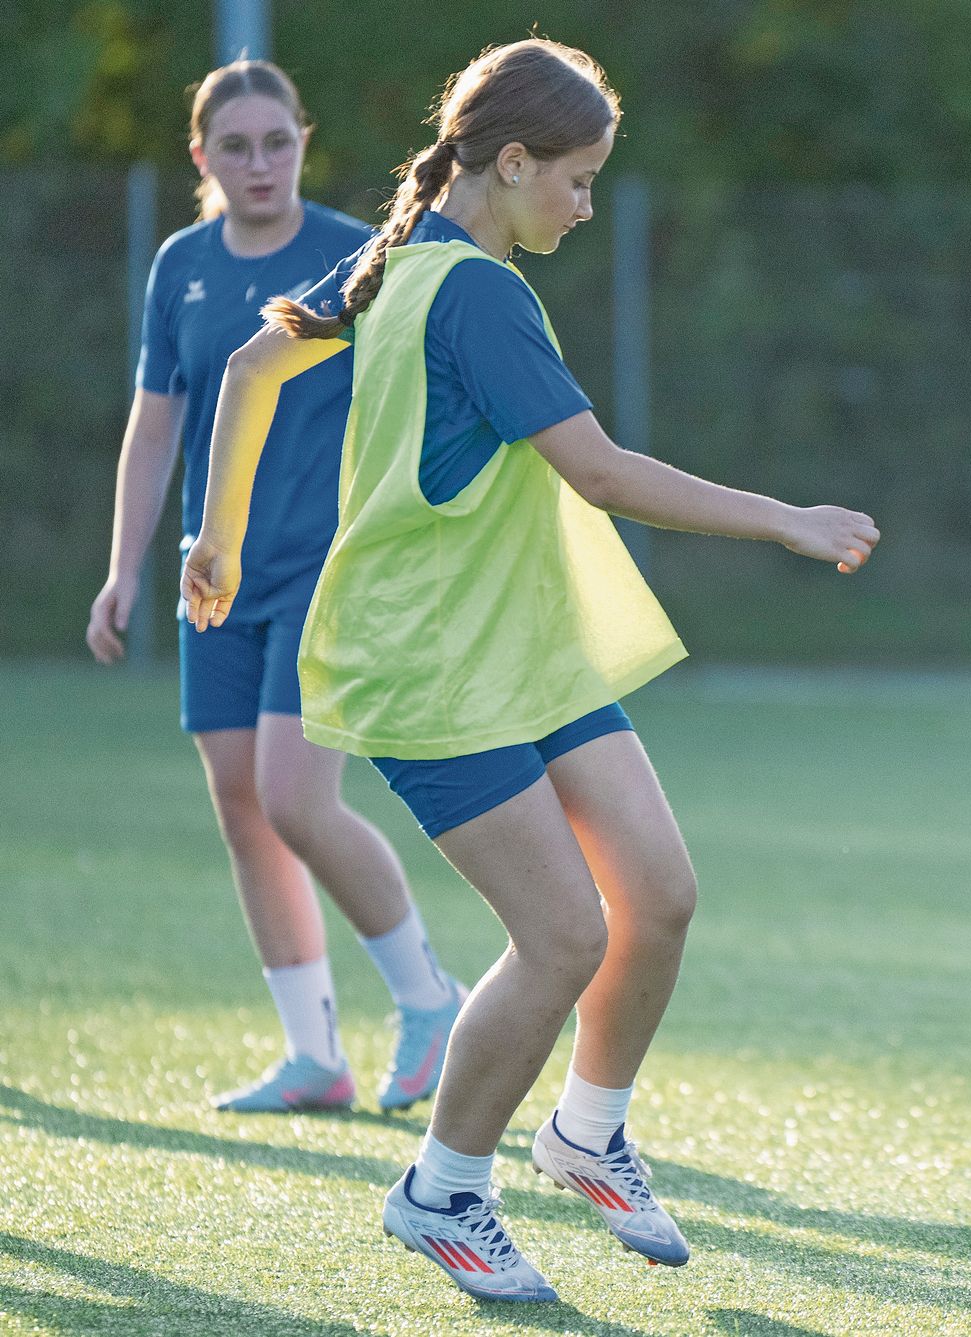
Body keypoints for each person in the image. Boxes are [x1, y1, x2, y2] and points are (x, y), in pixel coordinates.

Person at [182, 39, 878, 1303]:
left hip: (518, 644)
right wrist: (787, 518)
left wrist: (213, 536)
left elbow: (251, 365)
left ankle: (588, 1132)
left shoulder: (414, 257)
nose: (586, 203)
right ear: (510, 163)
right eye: (579, 178)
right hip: (428, 661)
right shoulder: (465, 288)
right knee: (563, 936)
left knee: (659, 893)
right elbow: (602, 472)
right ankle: (442, 1188)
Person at [85, 59, 463, 1116]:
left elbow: (416, 394)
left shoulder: (355, 252)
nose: (260, 164)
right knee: (245, 810)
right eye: (236, 147)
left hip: (322, 569)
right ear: (201, 157)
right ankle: (314, 1056)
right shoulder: (182, 264)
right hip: (217, 577)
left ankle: (431, 998)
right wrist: (124, 566)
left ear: (303, 139)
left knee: (298, 798)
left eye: (278, 142)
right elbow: (156, 422)